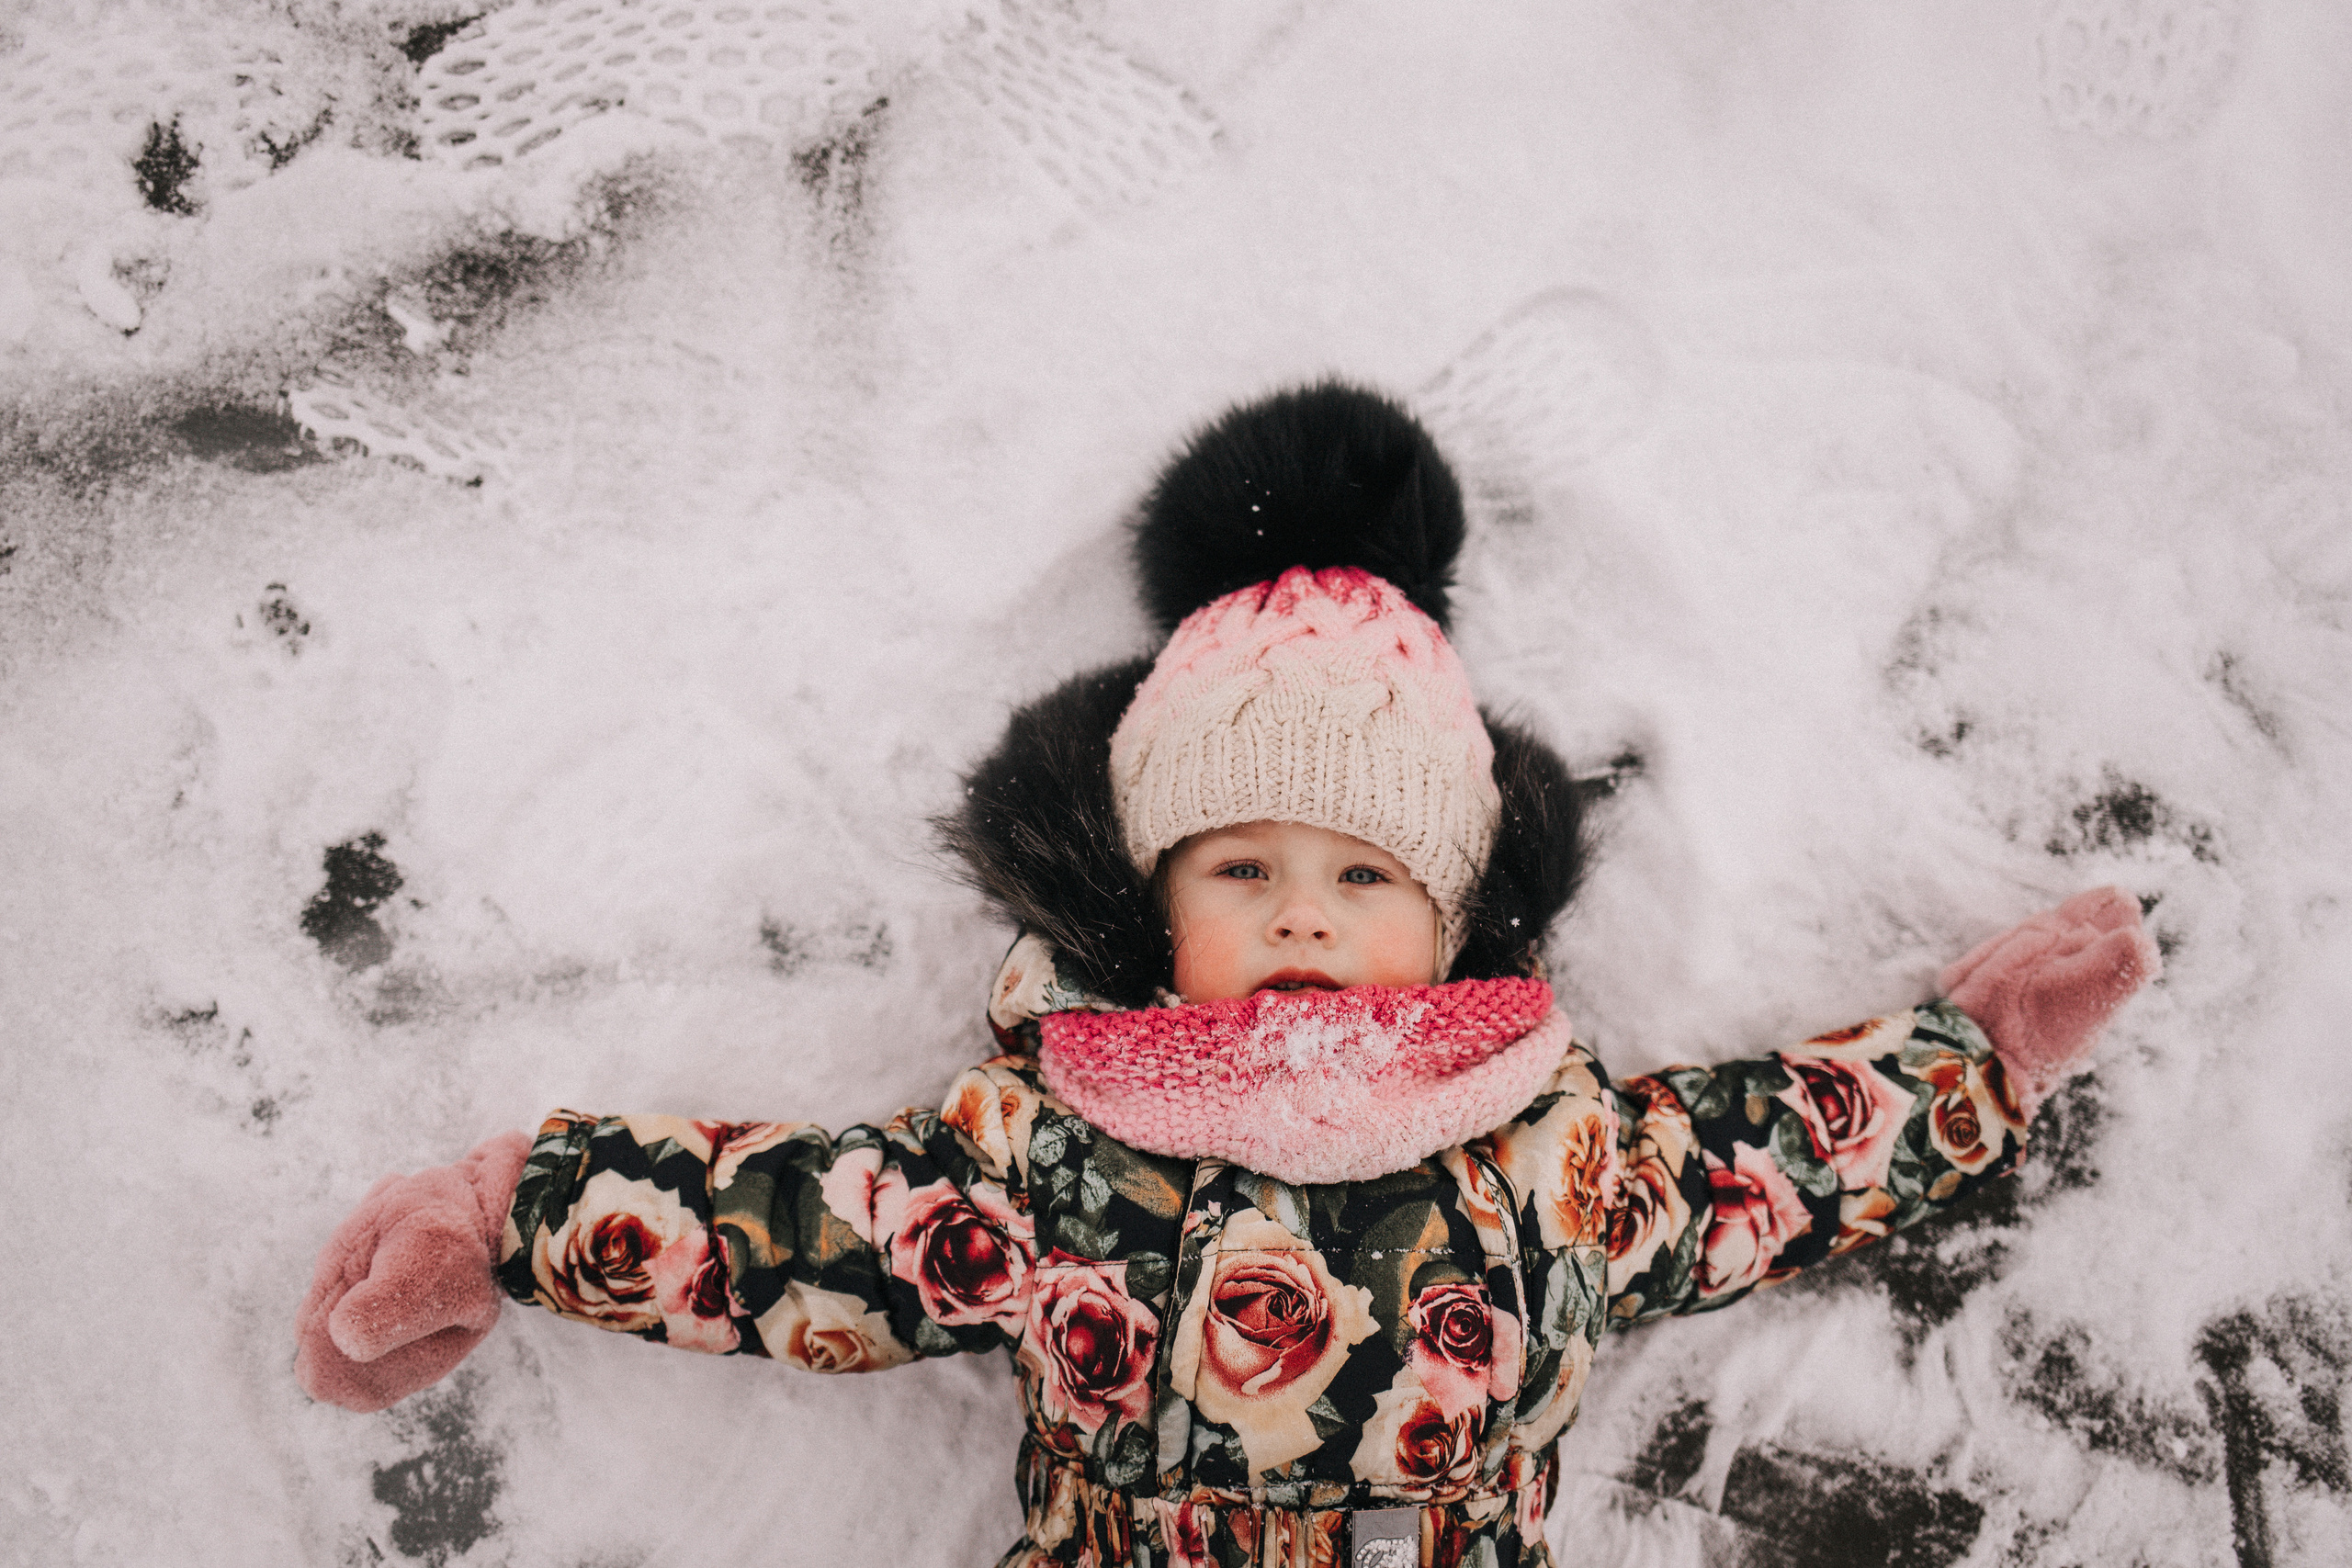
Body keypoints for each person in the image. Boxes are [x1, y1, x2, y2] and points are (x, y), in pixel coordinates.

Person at [293, 384, 2160, 1568]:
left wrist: (1976, 1053)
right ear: (1155, 904)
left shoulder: (1555, 1144)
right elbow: (803, 1229)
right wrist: (511, 1215)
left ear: (1448, 914)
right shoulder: (1049, 1149)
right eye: (1241, 866)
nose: (1297, 909)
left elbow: (1767, 1158)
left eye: (1359, 872)